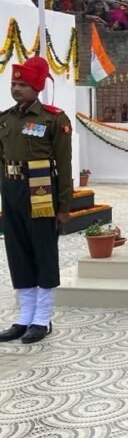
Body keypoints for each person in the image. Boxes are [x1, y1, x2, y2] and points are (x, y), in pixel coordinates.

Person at [0, 56, 73, 343]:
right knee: (17, 251)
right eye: (13, 84)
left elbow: (64, 165)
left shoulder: (53, 118)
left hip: (41, 188)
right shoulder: (5, 119)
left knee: (43, 251)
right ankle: (24, 317)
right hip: (13, 189)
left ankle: (42, 318)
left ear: (37, 87)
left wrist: (64, 206)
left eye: (22, 84)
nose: (16, 89)